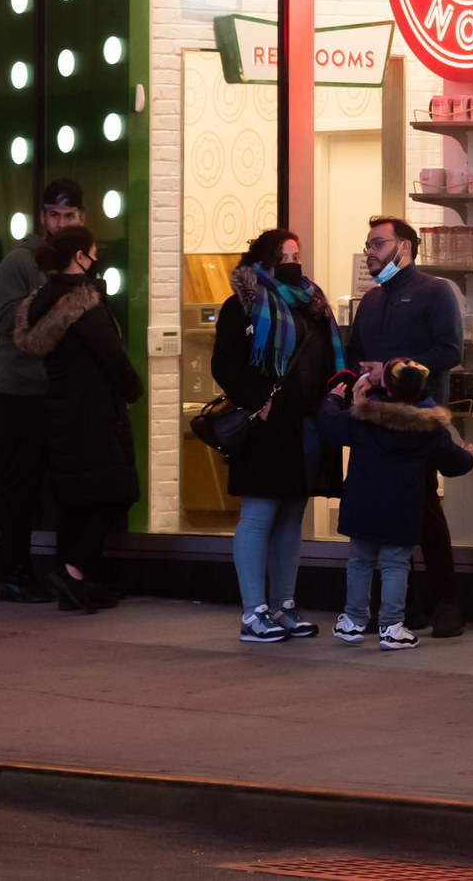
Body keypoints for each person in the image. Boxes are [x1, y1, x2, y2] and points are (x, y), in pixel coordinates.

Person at [211, 225, 344, 643]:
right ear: (266, 262)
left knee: (290, 515)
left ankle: (284, 605)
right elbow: (225, 365)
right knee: (259, 514)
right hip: (267, 425)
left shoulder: (313, 306)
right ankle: (254, 612)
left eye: (297, 255)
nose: (294, 263)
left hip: (304, 424)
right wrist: (258, 401)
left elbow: (325, 357)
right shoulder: (244, 307)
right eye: (286, 257)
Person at [15, 226, 142, 613]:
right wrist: (134, 389)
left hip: (62, 408)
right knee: (112, 493)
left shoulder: (40, 300)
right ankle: (73, 572)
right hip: (93, 411)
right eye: (93, 252)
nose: (96, 259)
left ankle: (79, 583)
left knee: (77, 500)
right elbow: (111, 354)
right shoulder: (83, 303)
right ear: (81, 257)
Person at [351, 215, 466, 637]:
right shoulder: (372, 301)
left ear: (405, 247)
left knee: (424, 506)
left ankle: (447, 600)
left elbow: (449, 350)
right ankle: (406, 602)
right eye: (367, 245)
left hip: (418, 418)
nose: (370, 252)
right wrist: (359, 378)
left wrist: (395, 371)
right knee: (383, 508)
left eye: (378, 244)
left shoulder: (435, 292)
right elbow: (355, 353)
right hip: (373, 421)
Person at [316, 357, 473, 648]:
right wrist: (468, 454)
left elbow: (328, 425)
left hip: (361, 509)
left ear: (385, 387)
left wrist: (333, 399)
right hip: (402, 511)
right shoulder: (429, 429)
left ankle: (352, 621)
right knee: (395, 565)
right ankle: (391, 627)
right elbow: (455, 463)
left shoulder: (362, 419)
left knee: (360, 563)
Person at [0, 181, 88, 604]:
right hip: (22, 390)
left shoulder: (82, 260)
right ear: (41, 216)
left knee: (72, 487)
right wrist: (57, 295)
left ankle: (70, 573)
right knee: (22, 487)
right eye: (53, 215)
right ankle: (14, 573)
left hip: (64, 390)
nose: (60, 224)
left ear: (80, 218)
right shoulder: (19, 261)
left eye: (68, 217)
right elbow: (7, 322)